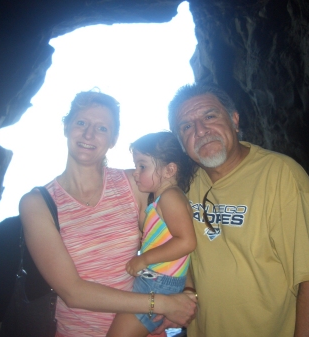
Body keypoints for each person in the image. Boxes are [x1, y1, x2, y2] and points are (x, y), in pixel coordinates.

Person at [155, 83, 309, 337]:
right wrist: (185, 294)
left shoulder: (281, 175)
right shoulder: (184, 186)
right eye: (186, 126)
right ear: (181, 143)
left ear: (235, 120)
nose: (200, 131)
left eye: (210, 116)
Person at [19, 91, 196, 337]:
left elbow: (176, 238)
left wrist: (185, 295)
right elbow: (73, 292)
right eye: (81, 123)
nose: (89, 134)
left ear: (113, 139)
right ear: (66, 126)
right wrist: (163, 304)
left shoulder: (134, 185)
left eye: (102, 128)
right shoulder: (38, 204)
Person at [107, 132, 198, 337]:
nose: (136, 173)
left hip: (158, 283)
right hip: (156, 281)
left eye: (142, 166)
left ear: (170, 170)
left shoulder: (170, 197)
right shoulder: (161, 199)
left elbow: (187, 242)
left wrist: (144, 258)